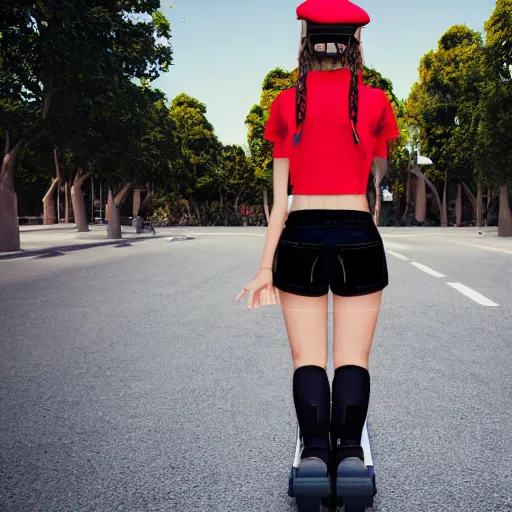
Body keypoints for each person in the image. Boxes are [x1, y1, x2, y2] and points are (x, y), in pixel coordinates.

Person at [235, 0, 399, 508]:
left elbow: (279, 203)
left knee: (307, 358)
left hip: (300, 235)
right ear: (354, 47)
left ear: (305, 44)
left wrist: (265, 268)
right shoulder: (375, 103)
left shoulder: (286, 104)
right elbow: (378, 181)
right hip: (357, 234)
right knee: (353, 357)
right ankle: (349, 457)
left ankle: (313, 458)